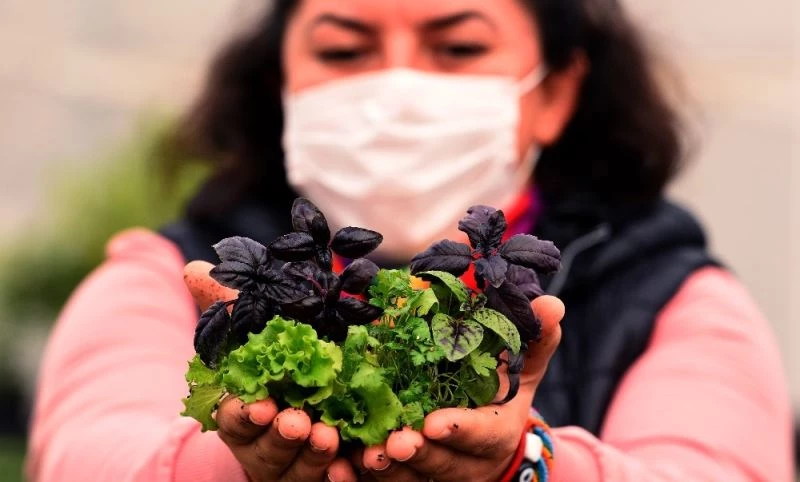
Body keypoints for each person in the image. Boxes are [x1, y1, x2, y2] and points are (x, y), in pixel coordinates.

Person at [26, 0, 792, 481]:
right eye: (342, 51)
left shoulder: (667, 297)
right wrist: (237, 460)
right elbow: (84, 455)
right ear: (282, 89)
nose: (395, 91)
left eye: (457, 49)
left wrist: (522, 466)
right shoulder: (170, 276)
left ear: (553, 94)